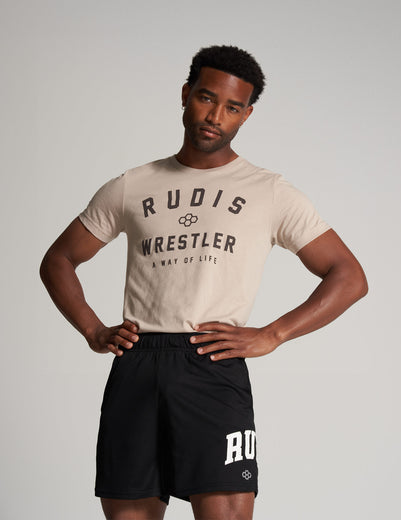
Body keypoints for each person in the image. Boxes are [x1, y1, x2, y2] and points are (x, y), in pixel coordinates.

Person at [40, 45, 368, 520]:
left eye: (233, 107)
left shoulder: (268, 191)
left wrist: (273, 334)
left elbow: (349, 276)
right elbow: (59, 260)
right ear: (185, 95)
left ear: (246, 114)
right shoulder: (132, 184)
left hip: (212, 365)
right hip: (137, 364)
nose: (216, 115)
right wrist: (93, 329)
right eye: (206, 98)